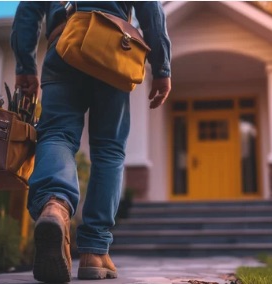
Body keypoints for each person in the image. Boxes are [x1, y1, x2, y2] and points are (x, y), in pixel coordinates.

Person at [10, 1, 171, 282]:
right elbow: (151, 12)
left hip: (65, 44)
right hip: (113, 48)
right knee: (109, 150)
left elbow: (28, 9)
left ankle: (54, 205)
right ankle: (95, 252)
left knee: (57, 132)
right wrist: (162, 68)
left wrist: (25, 65)